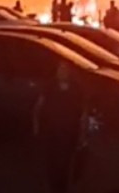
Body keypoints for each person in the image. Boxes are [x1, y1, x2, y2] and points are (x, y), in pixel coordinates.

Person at [34, 61, 86, 193]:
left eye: (65, 70)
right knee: (52, 160)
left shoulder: (76, 88)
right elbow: (39, 105)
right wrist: (36, 125)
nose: (62, 72)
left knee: (66, 161)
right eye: (60, 69)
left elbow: (82, 111)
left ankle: (62, 186)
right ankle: (54, 186)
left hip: (69, 131)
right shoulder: (50, 86)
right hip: (52, 130)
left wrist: (82, 132)